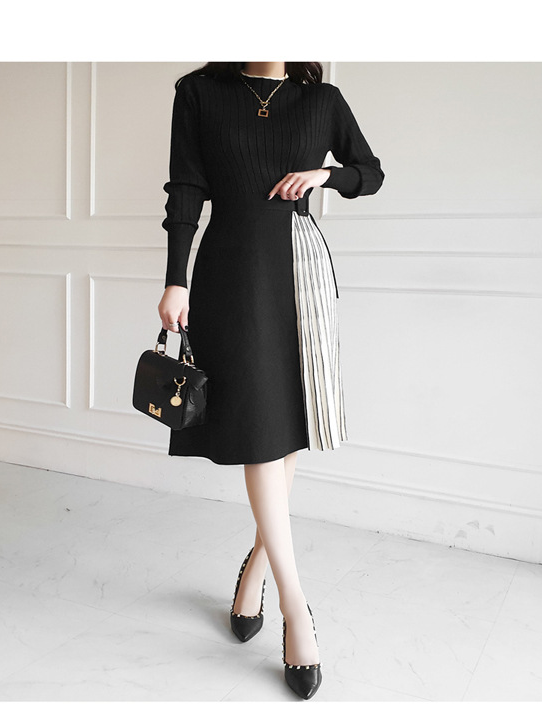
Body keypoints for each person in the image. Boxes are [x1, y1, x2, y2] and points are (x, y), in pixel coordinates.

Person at [157, 61, 383, 699]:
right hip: (230, 271)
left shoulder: (322, 100)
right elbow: (186, 189)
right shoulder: (199, 94)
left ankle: (255, 571)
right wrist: (175, 279)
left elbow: (371, 173)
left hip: (300, 272)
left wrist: (326, 176)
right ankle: (296, 605)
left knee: (283, 429)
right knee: (259, 429)